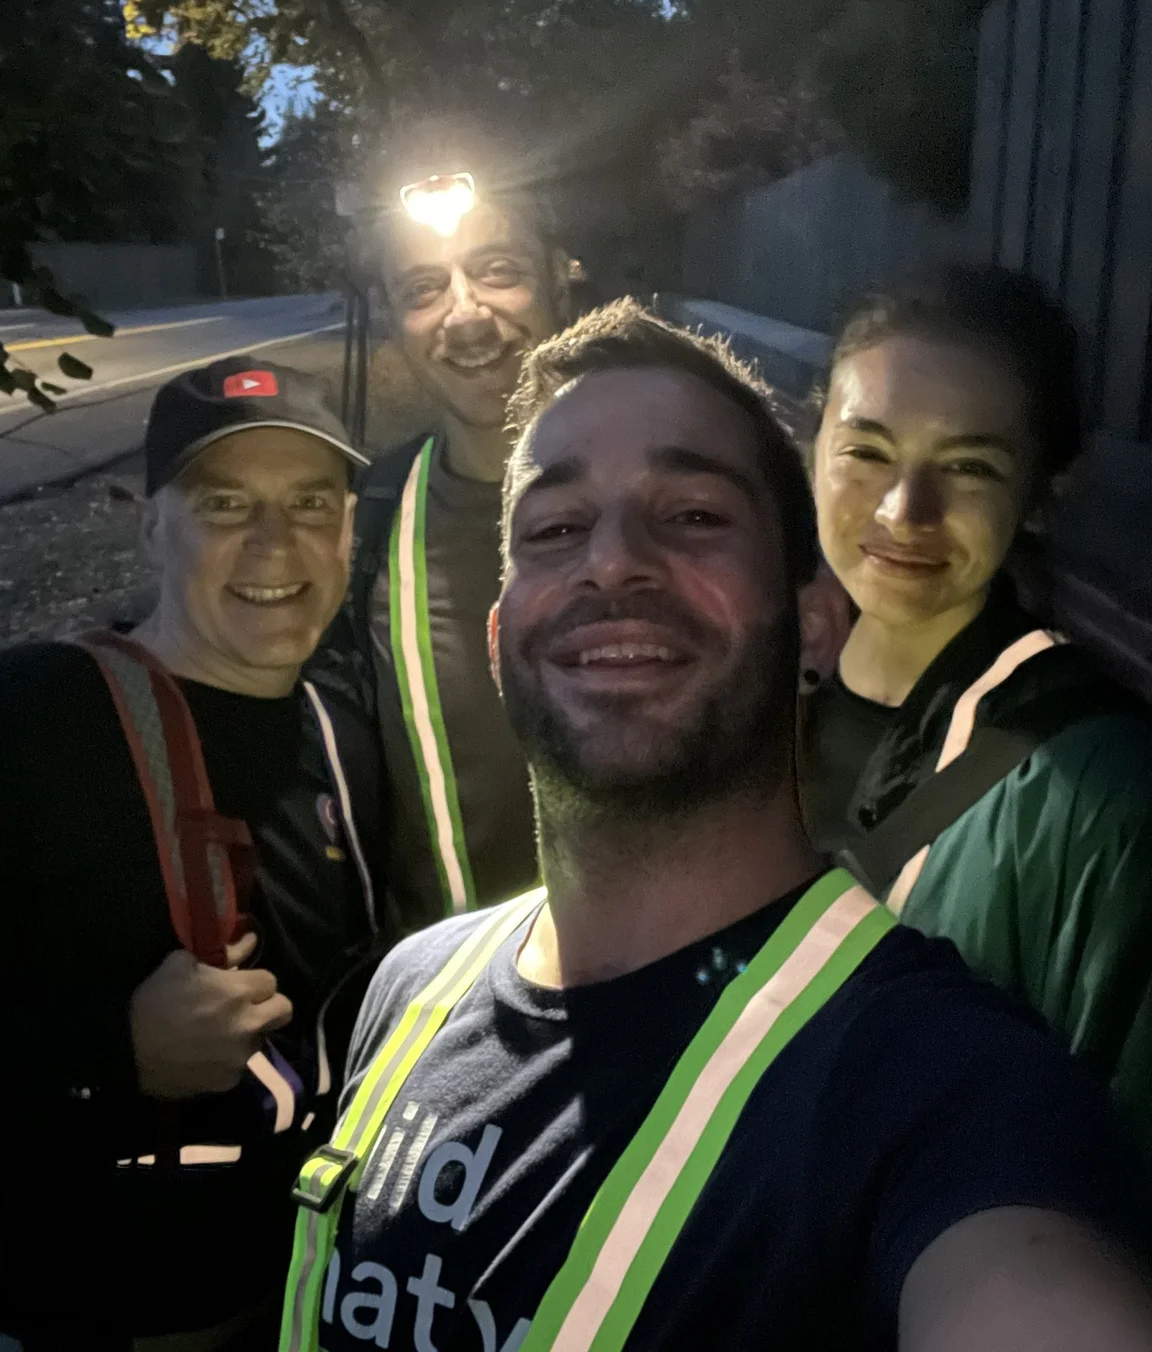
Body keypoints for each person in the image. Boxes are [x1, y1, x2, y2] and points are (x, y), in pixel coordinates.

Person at [282, 303, 1152, 1352]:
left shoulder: (939, 1086)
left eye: (692, 515)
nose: (611, 563)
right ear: (503, 627)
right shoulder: (409, 989)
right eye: (556, 529)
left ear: (812, 624)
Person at [0, 358, 390, 1350]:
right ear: (148, 523)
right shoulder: (40, 716)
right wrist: (110, 1053)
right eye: (224, 503)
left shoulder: (342, 718)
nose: (276, 541)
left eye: (311, 501)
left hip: (311, 1295)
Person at [800, 264, 1152, 1170]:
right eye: (868, 450)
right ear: (814, 445)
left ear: (1043, 490)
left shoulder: (1100, 795)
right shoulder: (746, 709)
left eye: (968, 467)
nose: (901, 511)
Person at [315, 164, 570, 930]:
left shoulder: (680, 488)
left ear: (562, 275)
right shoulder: (368, 520)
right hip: (455, 1004)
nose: (464, 315)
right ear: (393, 318)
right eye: (424, 288)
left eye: (498, 272)